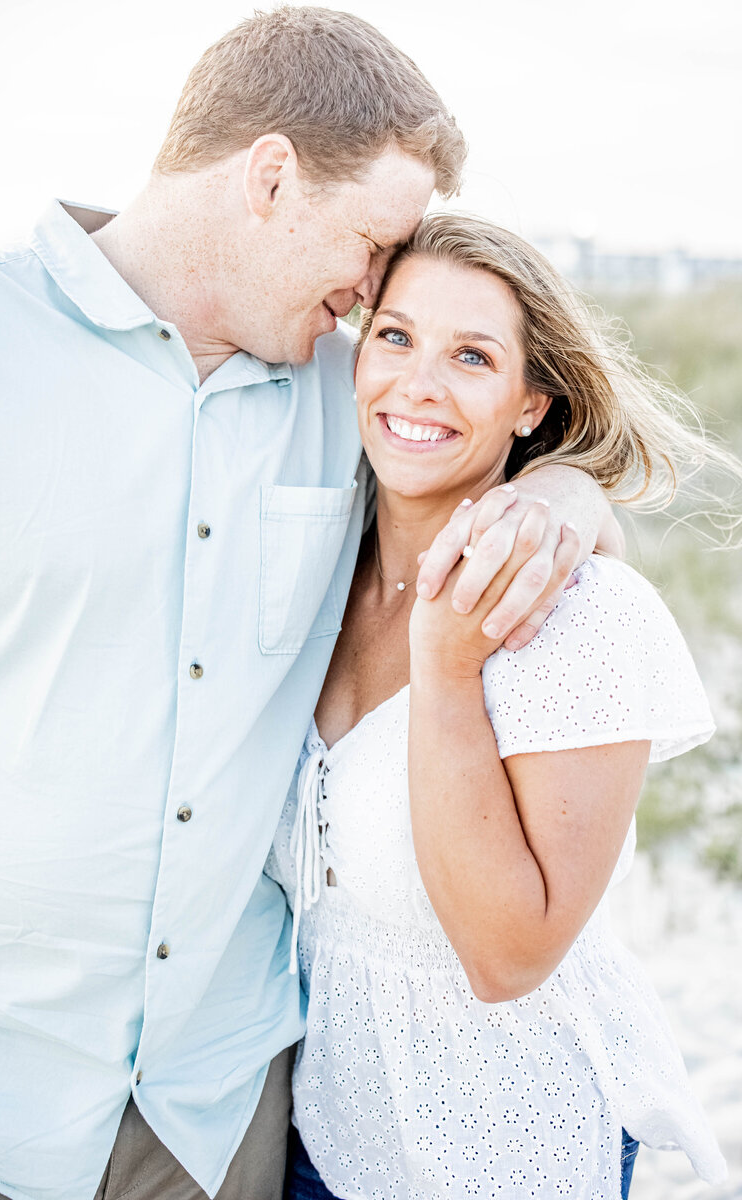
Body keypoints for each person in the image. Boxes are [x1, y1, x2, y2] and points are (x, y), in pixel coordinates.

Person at [0, 11, 621, 1200]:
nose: (370, 292)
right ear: (269, 176)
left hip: (216, 1109)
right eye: (369, 243)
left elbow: (480, 449)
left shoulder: (344, 392)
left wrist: (562, 496)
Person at [267, 213, 732, 1200]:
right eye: (393, 337)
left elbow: (505, 956)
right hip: (317, 1135)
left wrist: (444, 670)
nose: (417, 385)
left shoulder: (582, 618)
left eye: (470, 357)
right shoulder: (317, 574)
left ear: (529, 404)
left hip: (504, 1150)